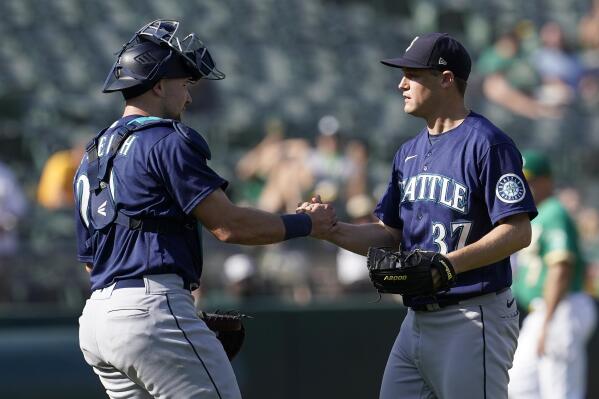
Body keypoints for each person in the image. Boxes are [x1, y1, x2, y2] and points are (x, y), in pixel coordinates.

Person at [73, 20, 335, 399]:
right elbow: (229, 226)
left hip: (97, 321)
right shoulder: (165, 139)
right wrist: (306, 223)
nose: (189, 97)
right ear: (159, 84)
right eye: (184, 84)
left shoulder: (91, 154)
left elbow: (89, 261)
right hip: (150, 311)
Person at [299, 32, 537, 399]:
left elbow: (518, 232)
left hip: (472, 316)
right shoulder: (407, 153)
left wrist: (448, 265)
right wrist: (329, 229)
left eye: (412, 74)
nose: (401, 84)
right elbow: (389, 235)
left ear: (445, 80)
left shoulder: (488, 143)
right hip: (415, 320)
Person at [508, 151, 597, 399]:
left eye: (530, 179)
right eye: (521, 180)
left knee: (560, 391)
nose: (525, 186)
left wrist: (549, 319)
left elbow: (561, 268)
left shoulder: (554, 211)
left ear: (547, 180)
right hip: (545, 311)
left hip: (561, 307)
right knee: (519, 384)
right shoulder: (539, 214)